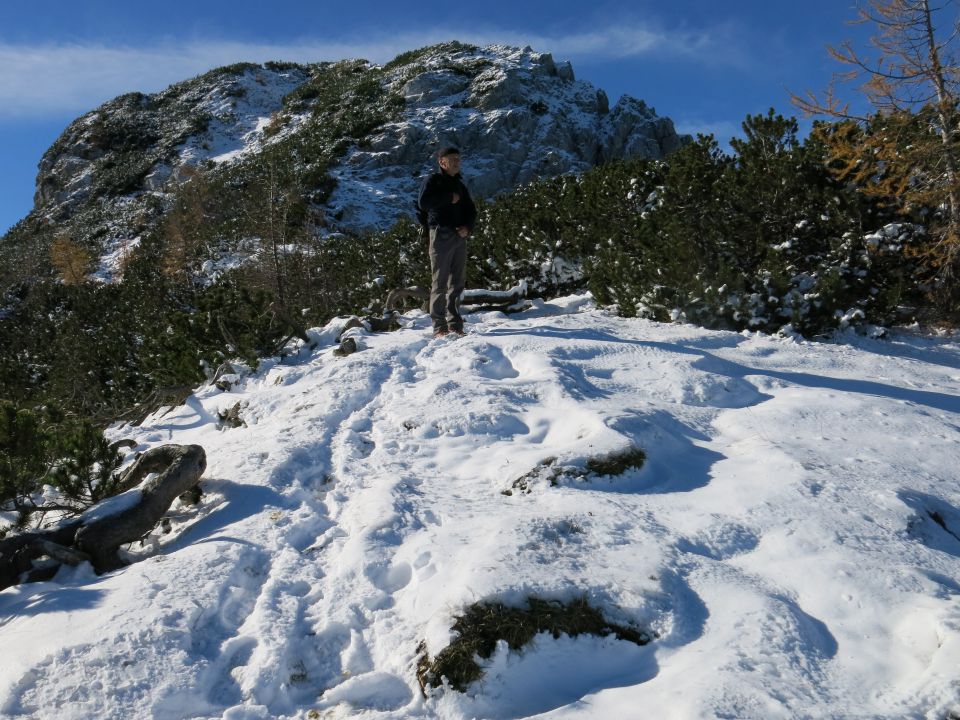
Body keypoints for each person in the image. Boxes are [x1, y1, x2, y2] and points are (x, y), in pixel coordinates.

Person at [417, 147, 476, 337]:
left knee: (457, 282)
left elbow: (471, 210)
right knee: (440, 282)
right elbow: (423, 203)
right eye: (453, 159)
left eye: (458, 159)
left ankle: (455, 324)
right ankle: (439, 326)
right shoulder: (433, 181)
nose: (457, 162)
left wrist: (468, 227)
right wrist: (448, 198)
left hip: (459, 235)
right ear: (442, 162)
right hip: (440, 233)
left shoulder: (460, 185)